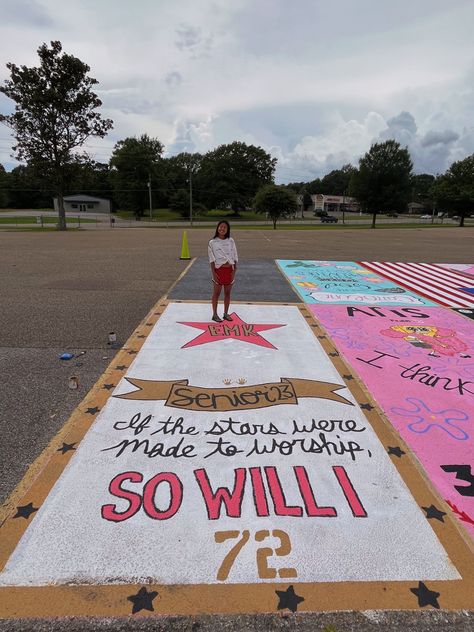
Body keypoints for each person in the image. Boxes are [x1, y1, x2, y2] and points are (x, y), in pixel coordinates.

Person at [208, 220, 238, 322]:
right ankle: (214, 314)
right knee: (216, 293)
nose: (222, 229)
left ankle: (226, 313)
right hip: (218, 271)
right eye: (220, 227)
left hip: (230, 270)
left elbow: (234, 255)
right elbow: (211, 259)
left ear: (227, 229)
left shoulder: (231, 241)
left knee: (227, 293)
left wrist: (235, 270)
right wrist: (213, 273)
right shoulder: (212, 242)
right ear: (217, 228)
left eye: (225, 227)